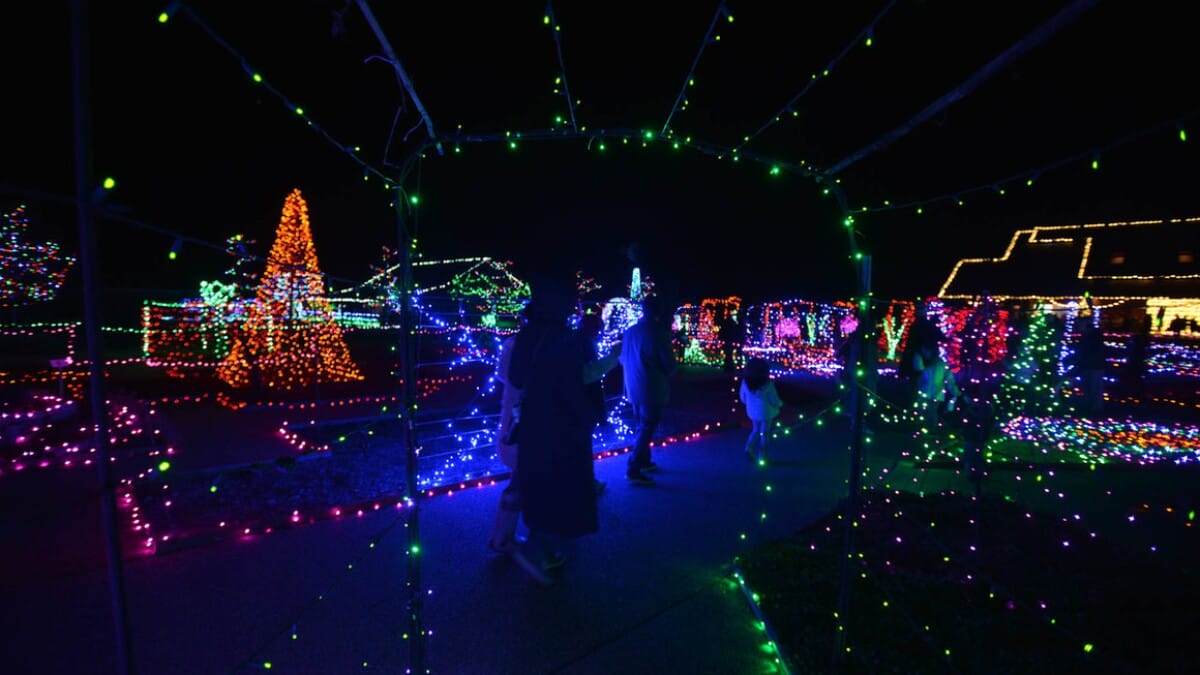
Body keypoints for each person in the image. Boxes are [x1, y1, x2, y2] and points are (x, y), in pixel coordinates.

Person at [507, 275, 619, 585]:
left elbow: (515, 379)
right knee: (561, 481)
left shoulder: (528, 335)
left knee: (538, 479)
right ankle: (544, 547)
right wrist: (612, 360)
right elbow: (581, 378)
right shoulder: (566, 339)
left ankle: (538, 541)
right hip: (564, 422)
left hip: (533, 420)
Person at [619, 294, 678, 485]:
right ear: (658, 310)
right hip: (650, 386)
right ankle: (634, 466)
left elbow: (622, 358)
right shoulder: (658, 331)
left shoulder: (631, 331)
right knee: (647, 426)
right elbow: (668, 364)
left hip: (632, 385)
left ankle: (643, 461)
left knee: (642, 424)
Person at [486, 314, 525, 555]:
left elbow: (501, 374)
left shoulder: (512, 343)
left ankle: (502, 537)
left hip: (513, 412)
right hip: (523, 417)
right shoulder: (530, 346)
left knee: (520, 478)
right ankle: (501, 539)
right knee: (520, 480)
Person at [739, 357, 783, 463]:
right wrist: (779, 405)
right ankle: (762, 455)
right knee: (765, 433)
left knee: (755, 430)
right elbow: (774, 399)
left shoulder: (746, 382)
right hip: (766, 412)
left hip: (752, 411)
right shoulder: (768, 384)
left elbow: (742, 397)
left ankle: (748, 448)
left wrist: (748, 403)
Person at [1074, 318, 1106, 416]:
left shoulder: (1093, 336)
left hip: (1094, 366)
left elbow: (1090, 351)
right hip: (1089, 365)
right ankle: (1090, 407)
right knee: (1088, 388)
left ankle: (1095, 409)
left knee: (1094, 388)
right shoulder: (1088, 335)